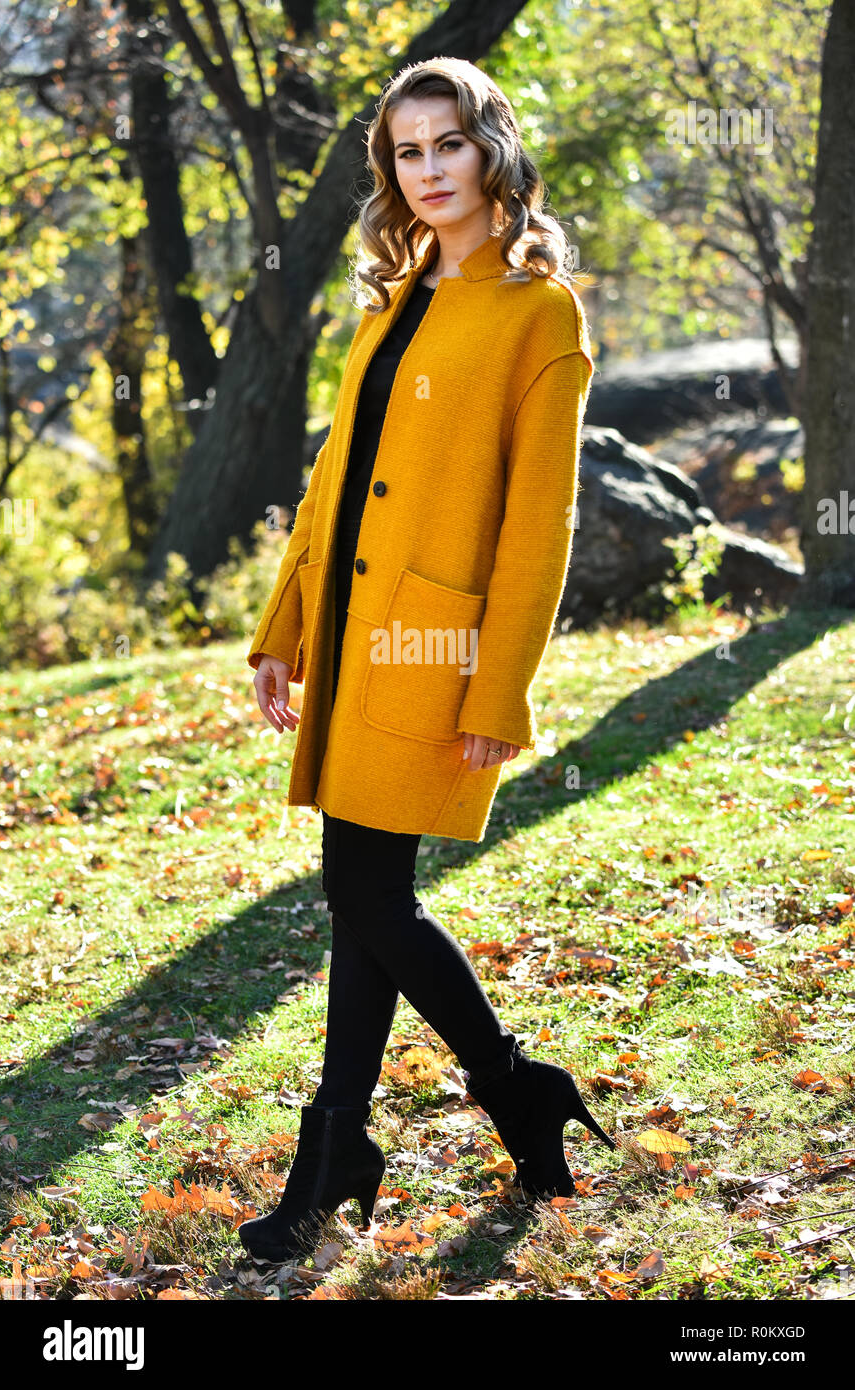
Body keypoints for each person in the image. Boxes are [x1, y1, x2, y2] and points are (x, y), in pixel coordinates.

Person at [237, 56, 615, 1268]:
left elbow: (538, 521)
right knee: (363, 899)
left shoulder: (539, 314)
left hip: (434, 643)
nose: (429, 169)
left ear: (491, 149)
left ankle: (499, 1089)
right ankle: (349, 1146)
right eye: (407, 152)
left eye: (447, 143)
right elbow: (333, 482)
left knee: (365, 898)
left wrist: (498, 681)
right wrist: (284, 621)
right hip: (352, 640)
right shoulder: (390, 298)